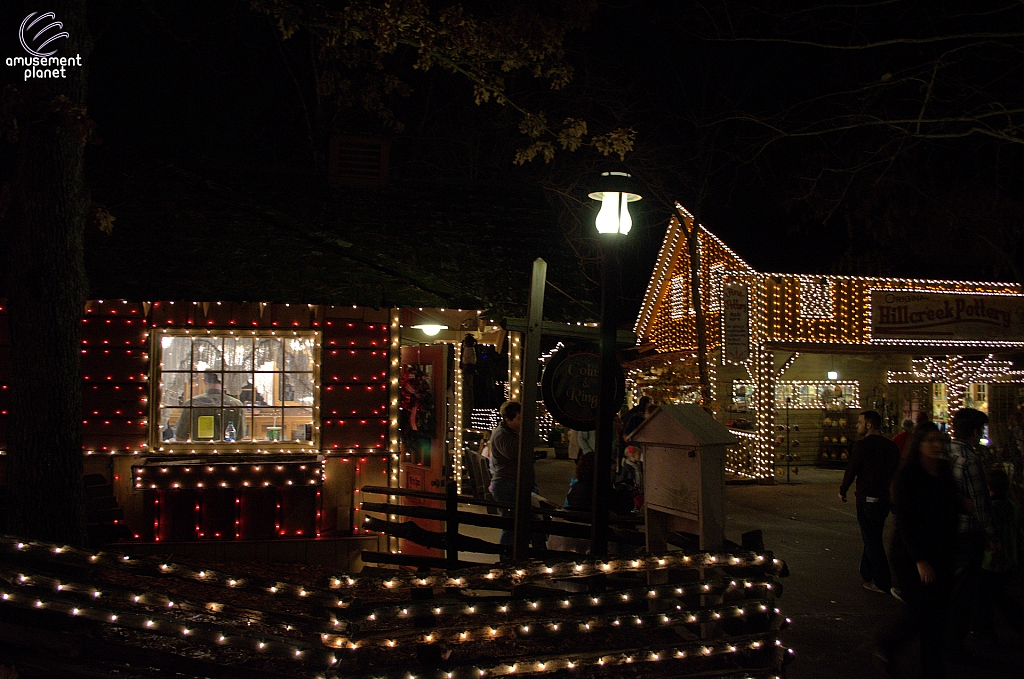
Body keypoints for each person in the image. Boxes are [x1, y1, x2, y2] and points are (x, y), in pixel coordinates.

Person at [876, 422, 960, 679]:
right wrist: (920, 560)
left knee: (938, 614)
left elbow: (950, 506)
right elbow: (906, 522)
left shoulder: (944, 471)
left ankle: (933, 668)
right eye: (930, 441)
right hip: (912, 555)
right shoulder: (908, 475)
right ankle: (889, 645)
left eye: (939, 441)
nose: (936, 446)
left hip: (942, 551)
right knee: (921, 611)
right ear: (919, 444)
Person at [946, 407, 999, 657]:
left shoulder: (945, 454)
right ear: (975, 431)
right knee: (965, 590)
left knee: (953, 585)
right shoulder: (971, 460)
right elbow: (981, 504)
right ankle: (956, 641)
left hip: (948, 529)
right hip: (969, 531)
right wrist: (991, 535)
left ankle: (951, 635)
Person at [840, 410, 901, 594]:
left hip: (867, 497)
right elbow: (896, 472)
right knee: (873, 533)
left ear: (869, 425)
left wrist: (843, 489)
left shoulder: (862, 446)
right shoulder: (890, 446)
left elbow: (852, 468)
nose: (857, 425)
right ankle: (866, 571)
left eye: (859, 422)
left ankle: (882, 580)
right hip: (884, 499)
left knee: (872, 539)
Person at [973, 467, 1023, 645]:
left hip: (991, 562)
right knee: (999, 596)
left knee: (989, 599)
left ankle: (985, 632)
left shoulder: (990, 510)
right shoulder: (1012, 507)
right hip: (1009, 560)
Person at [488, 400, 522, 558]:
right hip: (505, 484)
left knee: (514, 524)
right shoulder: (502, 435)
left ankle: (512, 556)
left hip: (510, 482)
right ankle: (505, 559)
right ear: (508, 419)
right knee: (510, 525)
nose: (522, 422)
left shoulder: (509, 433)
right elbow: (515, 454)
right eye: (519, 419)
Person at [174, 372, 245, 441]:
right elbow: (239, 437)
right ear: (224, 380)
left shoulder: (192, 403)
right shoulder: (236, 404)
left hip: (199, 449)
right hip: (226, 450)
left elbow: (180, 437)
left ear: (204, 381)